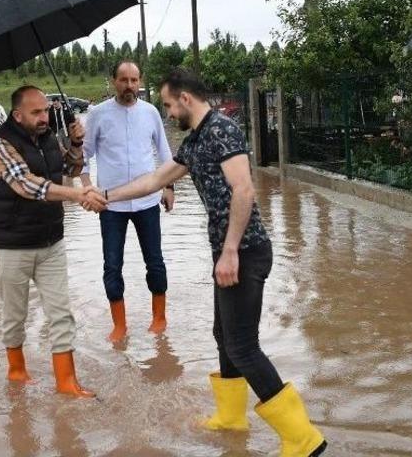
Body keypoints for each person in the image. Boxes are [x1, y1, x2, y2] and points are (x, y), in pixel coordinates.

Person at [103, 68, 327, 456]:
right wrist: (105, 195)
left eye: (170, 105)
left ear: (185, 99)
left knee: (243, 346)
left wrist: (229, 252)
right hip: (229, 252)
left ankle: (303, 439)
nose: (169, 113)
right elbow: (155, 180)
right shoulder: (197, 138)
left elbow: (244, 189)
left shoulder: (221, 129)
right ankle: (231, 418)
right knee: (225, 338)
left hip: (243, 252)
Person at [0, 85, 105, 398]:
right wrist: (77, 195)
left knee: (61, 313)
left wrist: (77, 143)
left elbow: (71, 168)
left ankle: (66, 382)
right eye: (35, 112)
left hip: (51, 241)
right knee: (15, 315)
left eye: (45, 110)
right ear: (17, 114)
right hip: (11, 245)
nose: (43, 117)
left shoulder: (48, 138)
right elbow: (27, 185)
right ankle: (18, 372)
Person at [80, 60, 175, 342]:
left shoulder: (151, 112)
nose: (129, 86)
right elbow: (83, 156)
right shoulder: (97, 114)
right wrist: (87, 188)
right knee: (112, 265)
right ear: (113, 82)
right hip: (110, 205)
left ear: (140, 81)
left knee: (155, 262)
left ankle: (159, 318)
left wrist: (169, 186)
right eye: (124, 80)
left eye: (134, 80)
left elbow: (165, 152)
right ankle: (119, 325)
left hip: (148, 201)